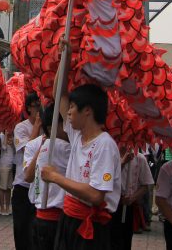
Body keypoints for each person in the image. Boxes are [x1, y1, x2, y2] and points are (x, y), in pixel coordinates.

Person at [41, 84, 121, 249]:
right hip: (69, 218)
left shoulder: (104, 145)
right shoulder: (77, 135)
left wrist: (56, 177)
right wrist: (66, 57)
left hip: (90, 225)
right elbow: (58, 92)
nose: (68, 112)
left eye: (72, 107)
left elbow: (95, 195)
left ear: (87, 110)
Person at [23, 104, 70, 250]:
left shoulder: (46, 145)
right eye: (65, 124)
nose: (69, 128)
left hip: (41, 216)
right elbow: (28, 177)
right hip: (56, 217)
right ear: (52, 127)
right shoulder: (64, 147)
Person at [12, 93, 41, 249]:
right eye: (36, 105)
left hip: (38, 187)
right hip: (22, 186)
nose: (39, 109)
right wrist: (36, 126)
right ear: (29, 107)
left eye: (41, 105)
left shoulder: (47, 128)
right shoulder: (21, 127)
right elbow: (28, 150)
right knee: (21, 231)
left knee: (35, 233)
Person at [112, 147, 154, 250]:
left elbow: (147, 184)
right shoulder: (110, 154)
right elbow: (105, 178)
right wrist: (122, 163)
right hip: (110, 205)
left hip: (127, 205)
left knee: (125, 239)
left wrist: (132, 198)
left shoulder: (139, 158)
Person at [0, 131, 15, 216]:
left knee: (8, 188)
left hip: (11, 164)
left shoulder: (14, 136)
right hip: (4, 165)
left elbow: (16, 150)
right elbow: (3, 147)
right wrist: (6, 136)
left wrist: (12, 143)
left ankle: (8, 207)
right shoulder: (1, 136)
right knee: (2, 187)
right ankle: (2, 208)